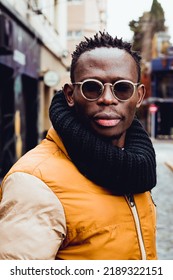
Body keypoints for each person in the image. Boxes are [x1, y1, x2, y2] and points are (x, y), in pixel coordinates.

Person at [0, 32, 157, 260]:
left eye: (122, 88)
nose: (107, 98)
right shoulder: (34, 181)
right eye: (92, 87)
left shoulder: (136, 168)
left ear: (139, 96)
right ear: (71, 95)